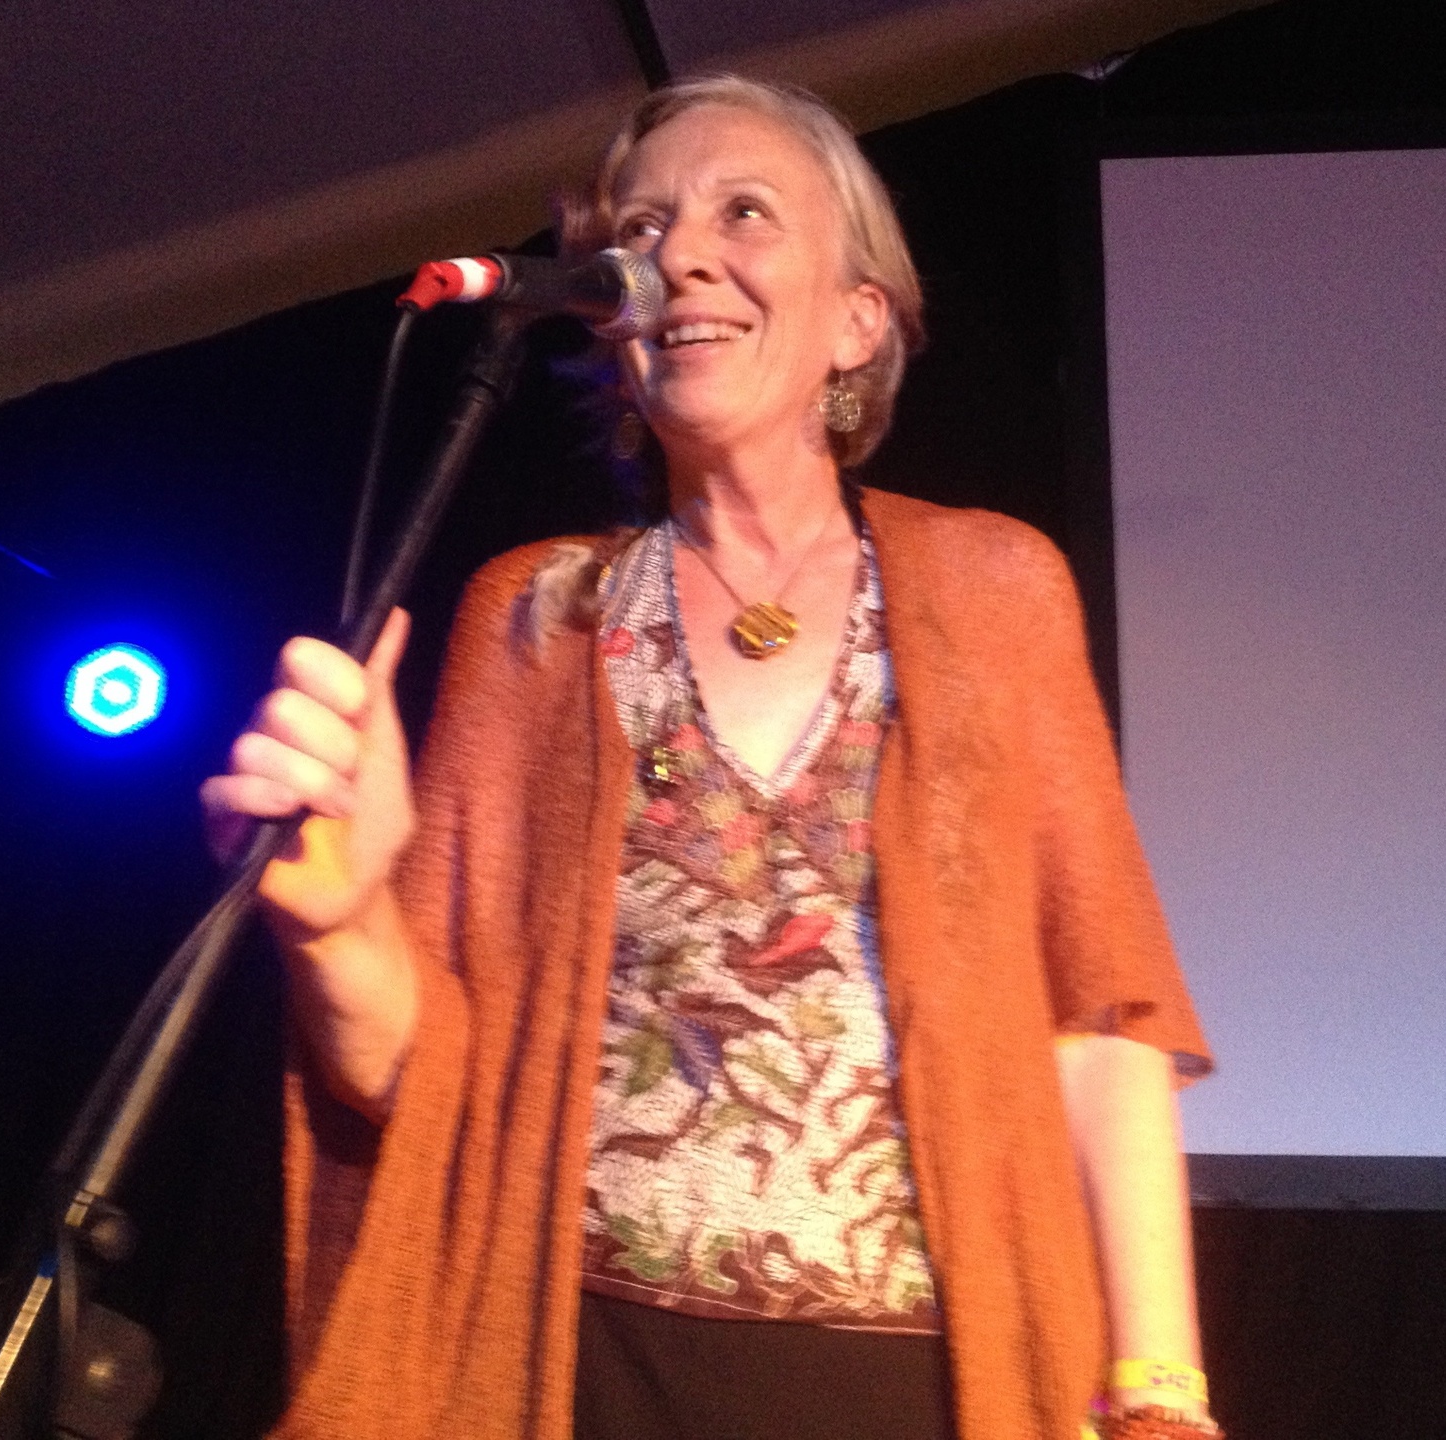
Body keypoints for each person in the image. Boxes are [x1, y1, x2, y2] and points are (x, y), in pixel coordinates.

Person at [201, 75, 1219, 1440]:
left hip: (919, 1376)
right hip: (586, 1366)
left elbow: (1099, 1023)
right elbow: (426, 1081)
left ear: (858, 319)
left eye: (743, 213)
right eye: (642, 225)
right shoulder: (533, 617)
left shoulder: (994, 590)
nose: (677, 253)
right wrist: (335, 924)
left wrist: (1158, 1389)